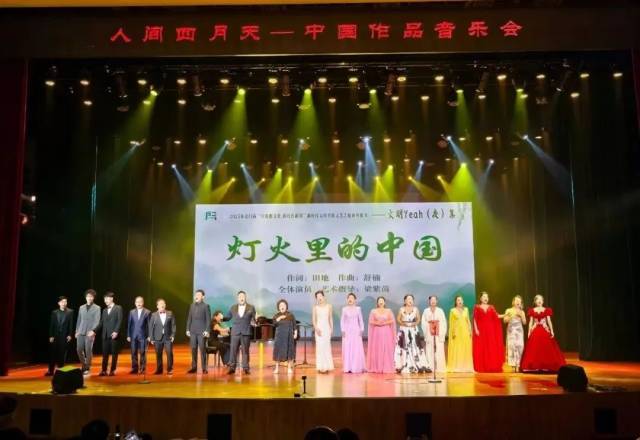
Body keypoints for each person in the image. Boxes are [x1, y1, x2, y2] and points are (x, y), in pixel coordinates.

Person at [520, 295, 566, 372]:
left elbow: (549, 321)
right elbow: (531, 322)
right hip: (535, 330)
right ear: (535, 301)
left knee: (546, 348)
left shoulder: (546, 310)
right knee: (535, 348)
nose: (539, 301)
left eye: (541, 299)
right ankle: (534, 366)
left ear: (543, 301)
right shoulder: (532, 310)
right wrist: (529, 332)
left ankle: (547, 365)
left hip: (544, 330)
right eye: (538, 299)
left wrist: (552, 331)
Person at [223, 290, 257, 375]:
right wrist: (222, 318)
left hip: (246, 332)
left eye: (243, 296)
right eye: (240, 297)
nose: (241, 298)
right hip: (235, 332)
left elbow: (254, 319)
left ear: (245, 297)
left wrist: (256, 321)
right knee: (233, 351)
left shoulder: (251, 307)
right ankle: (232, 368)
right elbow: (228, 317)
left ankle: (246, 368)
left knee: (245, 351)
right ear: (237, 298)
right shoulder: (233, 307)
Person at [395, 294, 428, 374]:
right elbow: (398, 319)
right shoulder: (401, 309)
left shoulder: (416, 309)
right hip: (404, 329)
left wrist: (414, 324)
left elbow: (418, 319)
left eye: (411, 299)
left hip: (413, 329)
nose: (410, 300)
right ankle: (404, 364)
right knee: (404, 346)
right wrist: (403, 324)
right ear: (405, 301)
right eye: (408, 299)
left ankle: (418, 364)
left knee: (415, 346)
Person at [472, 291, 504, 373]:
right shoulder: (477, 307)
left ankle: (490, 366)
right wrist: (476, 329)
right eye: (484, 297)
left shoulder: (491, 307)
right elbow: (475, 319)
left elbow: (497, 316)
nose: (486, 298)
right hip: (481, 330)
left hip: (490, 330)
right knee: (482, 348)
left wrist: (505, 315)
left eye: (487, 297)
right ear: (480, 298)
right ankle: (483, 366)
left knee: (490, 347)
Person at [366, 296, 396, 373]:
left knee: (386, 348)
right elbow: (370, 321)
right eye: (379, 300)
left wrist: (384, 323)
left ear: (384, 302)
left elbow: (392, 320)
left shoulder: (388, 311)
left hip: (386, 332)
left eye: (382, 300)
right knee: (377, 348)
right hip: (377, 332)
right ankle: (377, 366)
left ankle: (386, 366)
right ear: (377, 303)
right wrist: (377, 323)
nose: (381, 302)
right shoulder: (373, 311)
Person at [46, 296, 74, 376]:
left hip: (64, 336)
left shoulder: (70, 312)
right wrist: (51, 335)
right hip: (55, 336)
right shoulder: (54, 312)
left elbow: (71, 324)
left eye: (65, 301)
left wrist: (70, 334)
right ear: (59, 303)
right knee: (52, 353)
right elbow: (52, 325)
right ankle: (50, 371)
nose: (64, 303)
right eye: (62, 302)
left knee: (62, 353)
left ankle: (61, 371)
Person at [75, 289, 101, 375]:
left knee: (88, 350)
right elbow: (79, 320)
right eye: (88, 296)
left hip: (90, 332)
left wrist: (93, 331)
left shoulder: (97, 308)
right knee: (79, 349)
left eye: (91, 296)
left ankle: (87, 367)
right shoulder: (81, 307)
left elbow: (97, 321)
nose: (89, 298)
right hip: (81, 331)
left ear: (93, 298)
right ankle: (84, 365)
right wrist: (76, 331)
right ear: (85, 297)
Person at [186, 289, 212, 374]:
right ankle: (194, 367)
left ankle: (204, 368)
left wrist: (207, 330)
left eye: (198, 295)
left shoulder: (206, 306)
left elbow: (208, 320)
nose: (196, 296)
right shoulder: (192, 306)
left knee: (202, 349)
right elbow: (189, 318)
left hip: (202, 332)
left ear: (203, 297)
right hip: (193, 331)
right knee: (193, 349)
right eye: (195, 295)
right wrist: (187, 329)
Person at [148, 298, 176, 375]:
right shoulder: (154, 315)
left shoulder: (170, 313)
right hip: (157, 337)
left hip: (168, 337)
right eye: (160, 304)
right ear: (157, 306)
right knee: (158, 354)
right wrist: (151, 338)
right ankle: (159, 370)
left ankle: (170, 369)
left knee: (169, 353)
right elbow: (151, 327)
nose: (162, 305)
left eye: (163, 303)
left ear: (165, 305)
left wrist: (173, 335)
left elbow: (173, 325)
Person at [447, 295, 473, 373]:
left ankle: (465, 366)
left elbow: (468, 321)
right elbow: (451, 323)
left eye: (461, 300)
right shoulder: (452, 310)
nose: (460, 301)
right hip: (457, 332)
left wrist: (470, 330)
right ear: (456, 302)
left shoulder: (466, 310)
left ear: (463, 301)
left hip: (465, 332)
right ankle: (457, 366)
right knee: (457, 349)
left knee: (465, 348)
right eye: (458, 300)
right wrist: (453, 332)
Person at [340, 293, 366, 373]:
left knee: (356, 349)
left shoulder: (358, 309)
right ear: (347, 299)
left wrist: (362, 329)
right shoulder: (344, 309)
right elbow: (342, 321)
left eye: (352, 298)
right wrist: (343, 330)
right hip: (347, 331)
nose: (350, 299)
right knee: (347, 348)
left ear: (355, 300)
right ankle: (348, 367)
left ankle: (356, 367)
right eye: (349, 298)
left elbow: (361, 320)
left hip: (356, 331)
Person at [99, 292, 123, 376]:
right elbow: (101, 322)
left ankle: (112, 370)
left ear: (111, 298)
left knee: (114, 353)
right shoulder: (104, 310)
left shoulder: (118, 308)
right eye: (104, 299)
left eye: (107, 298)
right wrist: (94, 331)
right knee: (105, 354)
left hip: (114, 334)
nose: (105, 300)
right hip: (105, 335)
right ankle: (104, 370)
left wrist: (116, 331)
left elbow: (120, 320)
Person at [421, 295, 447, 373]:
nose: (433, 301)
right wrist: (429, 325)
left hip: (438, 332)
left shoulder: (440, 310)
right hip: (429, 332)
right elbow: (423, 322)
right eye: (431, 300)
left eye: (434, 300)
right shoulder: (426, 311)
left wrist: (439, 328)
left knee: (439, 349)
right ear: (429, 301)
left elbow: (443, 322)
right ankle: (430, 367)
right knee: (429, 349)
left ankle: (440, 367)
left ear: (437, 301)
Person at [502, 295, 527, 372]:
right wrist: (510, 317)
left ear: (521, 303)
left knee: (520, 346)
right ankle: (513, 365)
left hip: (519, 331)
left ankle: (518, 365)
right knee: (512, 346)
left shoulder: (522, 311)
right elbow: (504, 320)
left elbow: (524, 322)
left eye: (519, 301)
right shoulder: (508, 310)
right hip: (511, 330)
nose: (518, 302)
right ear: (513, 302)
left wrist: (521, 315)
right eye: (516, 300)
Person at [126, 296, 150, 375]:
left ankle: (142, 368)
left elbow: (149, 325)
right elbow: (129, 324)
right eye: (137, 302)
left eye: (140, 302)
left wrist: (149, 336)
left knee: (143, 352)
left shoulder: (147, 312)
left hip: (143, 336)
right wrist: (128, 335)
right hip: (133, 335)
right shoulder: (132, 312)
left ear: (143, 303)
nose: (139, 303)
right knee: (133, 352)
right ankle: (134, 368)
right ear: (135, 303)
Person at [272, 299, 297, 374]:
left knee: (289, 351)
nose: (282, 307)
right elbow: (274, 324)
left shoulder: (290, 315)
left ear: (286, 306)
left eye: (283, 305)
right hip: (279, 337)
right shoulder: (276, 316)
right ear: (278, 307)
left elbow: (294, 325)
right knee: (278, 352)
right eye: (280, 306)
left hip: (289, 336)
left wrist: (295, 333)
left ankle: (289, 368)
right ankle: (277, 368)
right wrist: (279, 318)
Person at [312, 290, 334, 373]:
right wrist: (316, 328)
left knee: (326, 347)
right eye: (317, 297)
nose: (319, 298)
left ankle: (327, 366)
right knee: (320, 347)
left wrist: (332, 328)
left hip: (327, 328)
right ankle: (320, 367)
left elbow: (330, 318)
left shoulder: (329, 306)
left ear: (324, 296)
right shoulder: (315, 308)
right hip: (319, 329)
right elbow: (314, 320)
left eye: (320, 296)